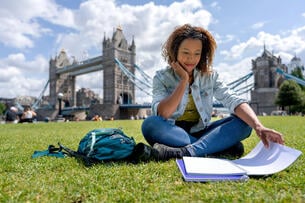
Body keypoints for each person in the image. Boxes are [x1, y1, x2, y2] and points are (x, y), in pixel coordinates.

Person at [141, 24, 284, 161]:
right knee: (150, 124)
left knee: (245, 123)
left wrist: (258, 126)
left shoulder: (210, 76)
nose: (191, 59)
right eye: (185, 53)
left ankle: (187, 152)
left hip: (202, 131)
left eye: (197, 53)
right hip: (173, 131)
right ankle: (216, 146)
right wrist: (184, 80)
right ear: (175, 51)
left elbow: (233, 99)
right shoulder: (161, 77)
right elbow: (163, 113)